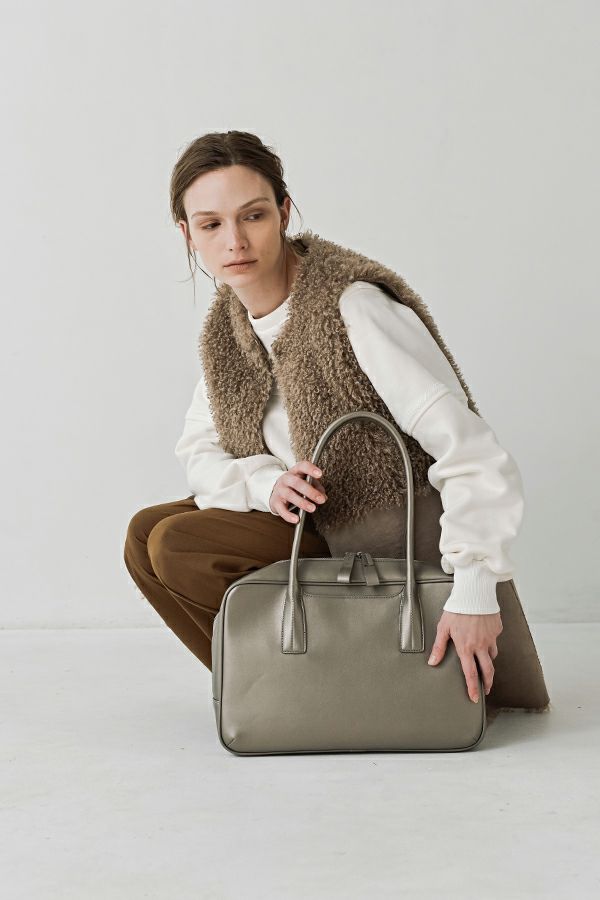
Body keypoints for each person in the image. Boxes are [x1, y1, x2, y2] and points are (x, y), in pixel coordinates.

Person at [123, 130, 550, 716]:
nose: (235, 241)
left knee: (177, 544)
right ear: (187, 234)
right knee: (144, 534)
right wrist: (266, 484)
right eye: (211, 224)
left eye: (253, 215)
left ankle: (327, 695)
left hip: (380, 543)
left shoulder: (352, 306)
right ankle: (284, 689)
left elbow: (471, 451)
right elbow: (199, 452)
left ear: (284, 212)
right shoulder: (229, 327)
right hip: (315, 527)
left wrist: (474, 590)